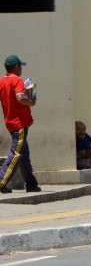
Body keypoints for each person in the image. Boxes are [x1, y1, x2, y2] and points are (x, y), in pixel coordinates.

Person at [0, 55, 41, 194]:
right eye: (20, 66)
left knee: (24, 154)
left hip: (10, 122)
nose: (21, 69)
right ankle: (1, 181)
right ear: (16, 66)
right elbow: (19, 97)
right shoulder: (17, 80)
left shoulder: (2, 81)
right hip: (20, 123)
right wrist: (31, 101)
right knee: (16, 153)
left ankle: (31, 184)